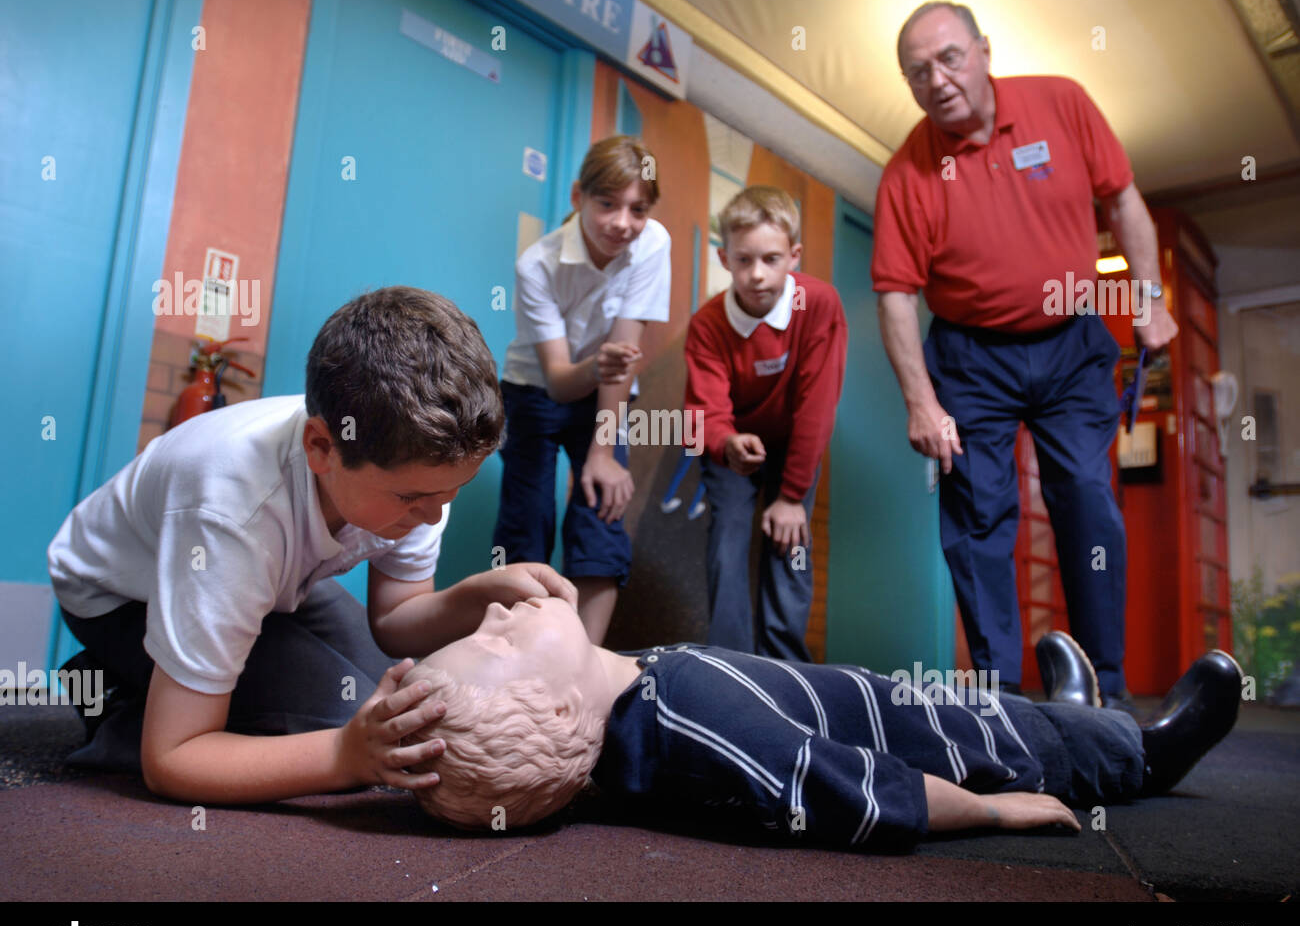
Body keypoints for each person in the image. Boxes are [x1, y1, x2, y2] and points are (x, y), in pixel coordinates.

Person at [47, 287, 576, 804]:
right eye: (413, 497)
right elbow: (173, 761)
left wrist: (477, 595)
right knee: (361, 726)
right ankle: (124, 712)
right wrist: (344, 757)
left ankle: (195, 687)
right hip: (121, 596)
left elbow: (397, 620)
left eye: (451, 492)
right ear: (322, 447)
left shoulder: (419, 463)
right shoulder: (233, 513)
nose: (434, 515)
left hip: (273, 582)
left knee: (399, 695)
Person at [871, 1, 1179, 708]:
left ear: (983, 50)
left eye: (949, 57)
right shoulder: (907, 175)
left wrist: (1151, 299)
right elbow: (894, 294)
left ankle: (1106, 684)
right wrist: (921, 401)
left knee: (1085, 495)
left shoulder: (1061, 103)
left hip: (1071, 344)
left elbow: (1125, 200)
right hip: (970, 359)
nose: (937, 79)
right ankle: (997, 694)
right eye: (918, 73)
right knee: (977, 515)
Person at [398, 596, 1243, 850]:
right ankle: (1143, 752)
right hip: (933, 739)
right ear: (555, 707)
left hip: (883, 698)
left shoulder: (623, 720)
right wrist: (991, 809)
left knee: (1006, 709)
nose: (497, 614)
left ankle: (1073, 712)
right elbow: (863, 794)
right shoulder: (699, 723)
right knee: (1022, 737)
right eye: (497, 642)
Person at [494, 134, 671, 645]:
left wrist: (603, 456)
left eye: (638, 209)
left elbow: (623, 355)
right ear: (577, 197)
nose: (622, 223)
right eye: (607, 204)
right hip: (536, 389)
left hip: (608, 394)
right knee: (525, 523)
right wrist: (599, 364)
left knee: (602, 513)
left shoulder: (652, 244)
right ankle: (516, 653)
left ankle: (584, 661)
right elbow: (560, 379)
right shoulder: (537, 266)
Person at [684, 186, 847, 661]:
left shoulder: (818, 305)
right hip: (735, 448)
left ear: (794, 256)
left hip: (796, 443)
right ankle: (730, 667)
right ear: (724, 258)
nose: (757, 275)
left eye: (772, 259)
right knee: (727, 542)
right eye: (743, 260)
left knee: (789, 545)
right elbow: (703, 410)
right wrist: (727, 441)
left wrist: (792, 496)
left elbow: (817, 406)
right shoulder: (709, 324)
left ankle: (788, 669)